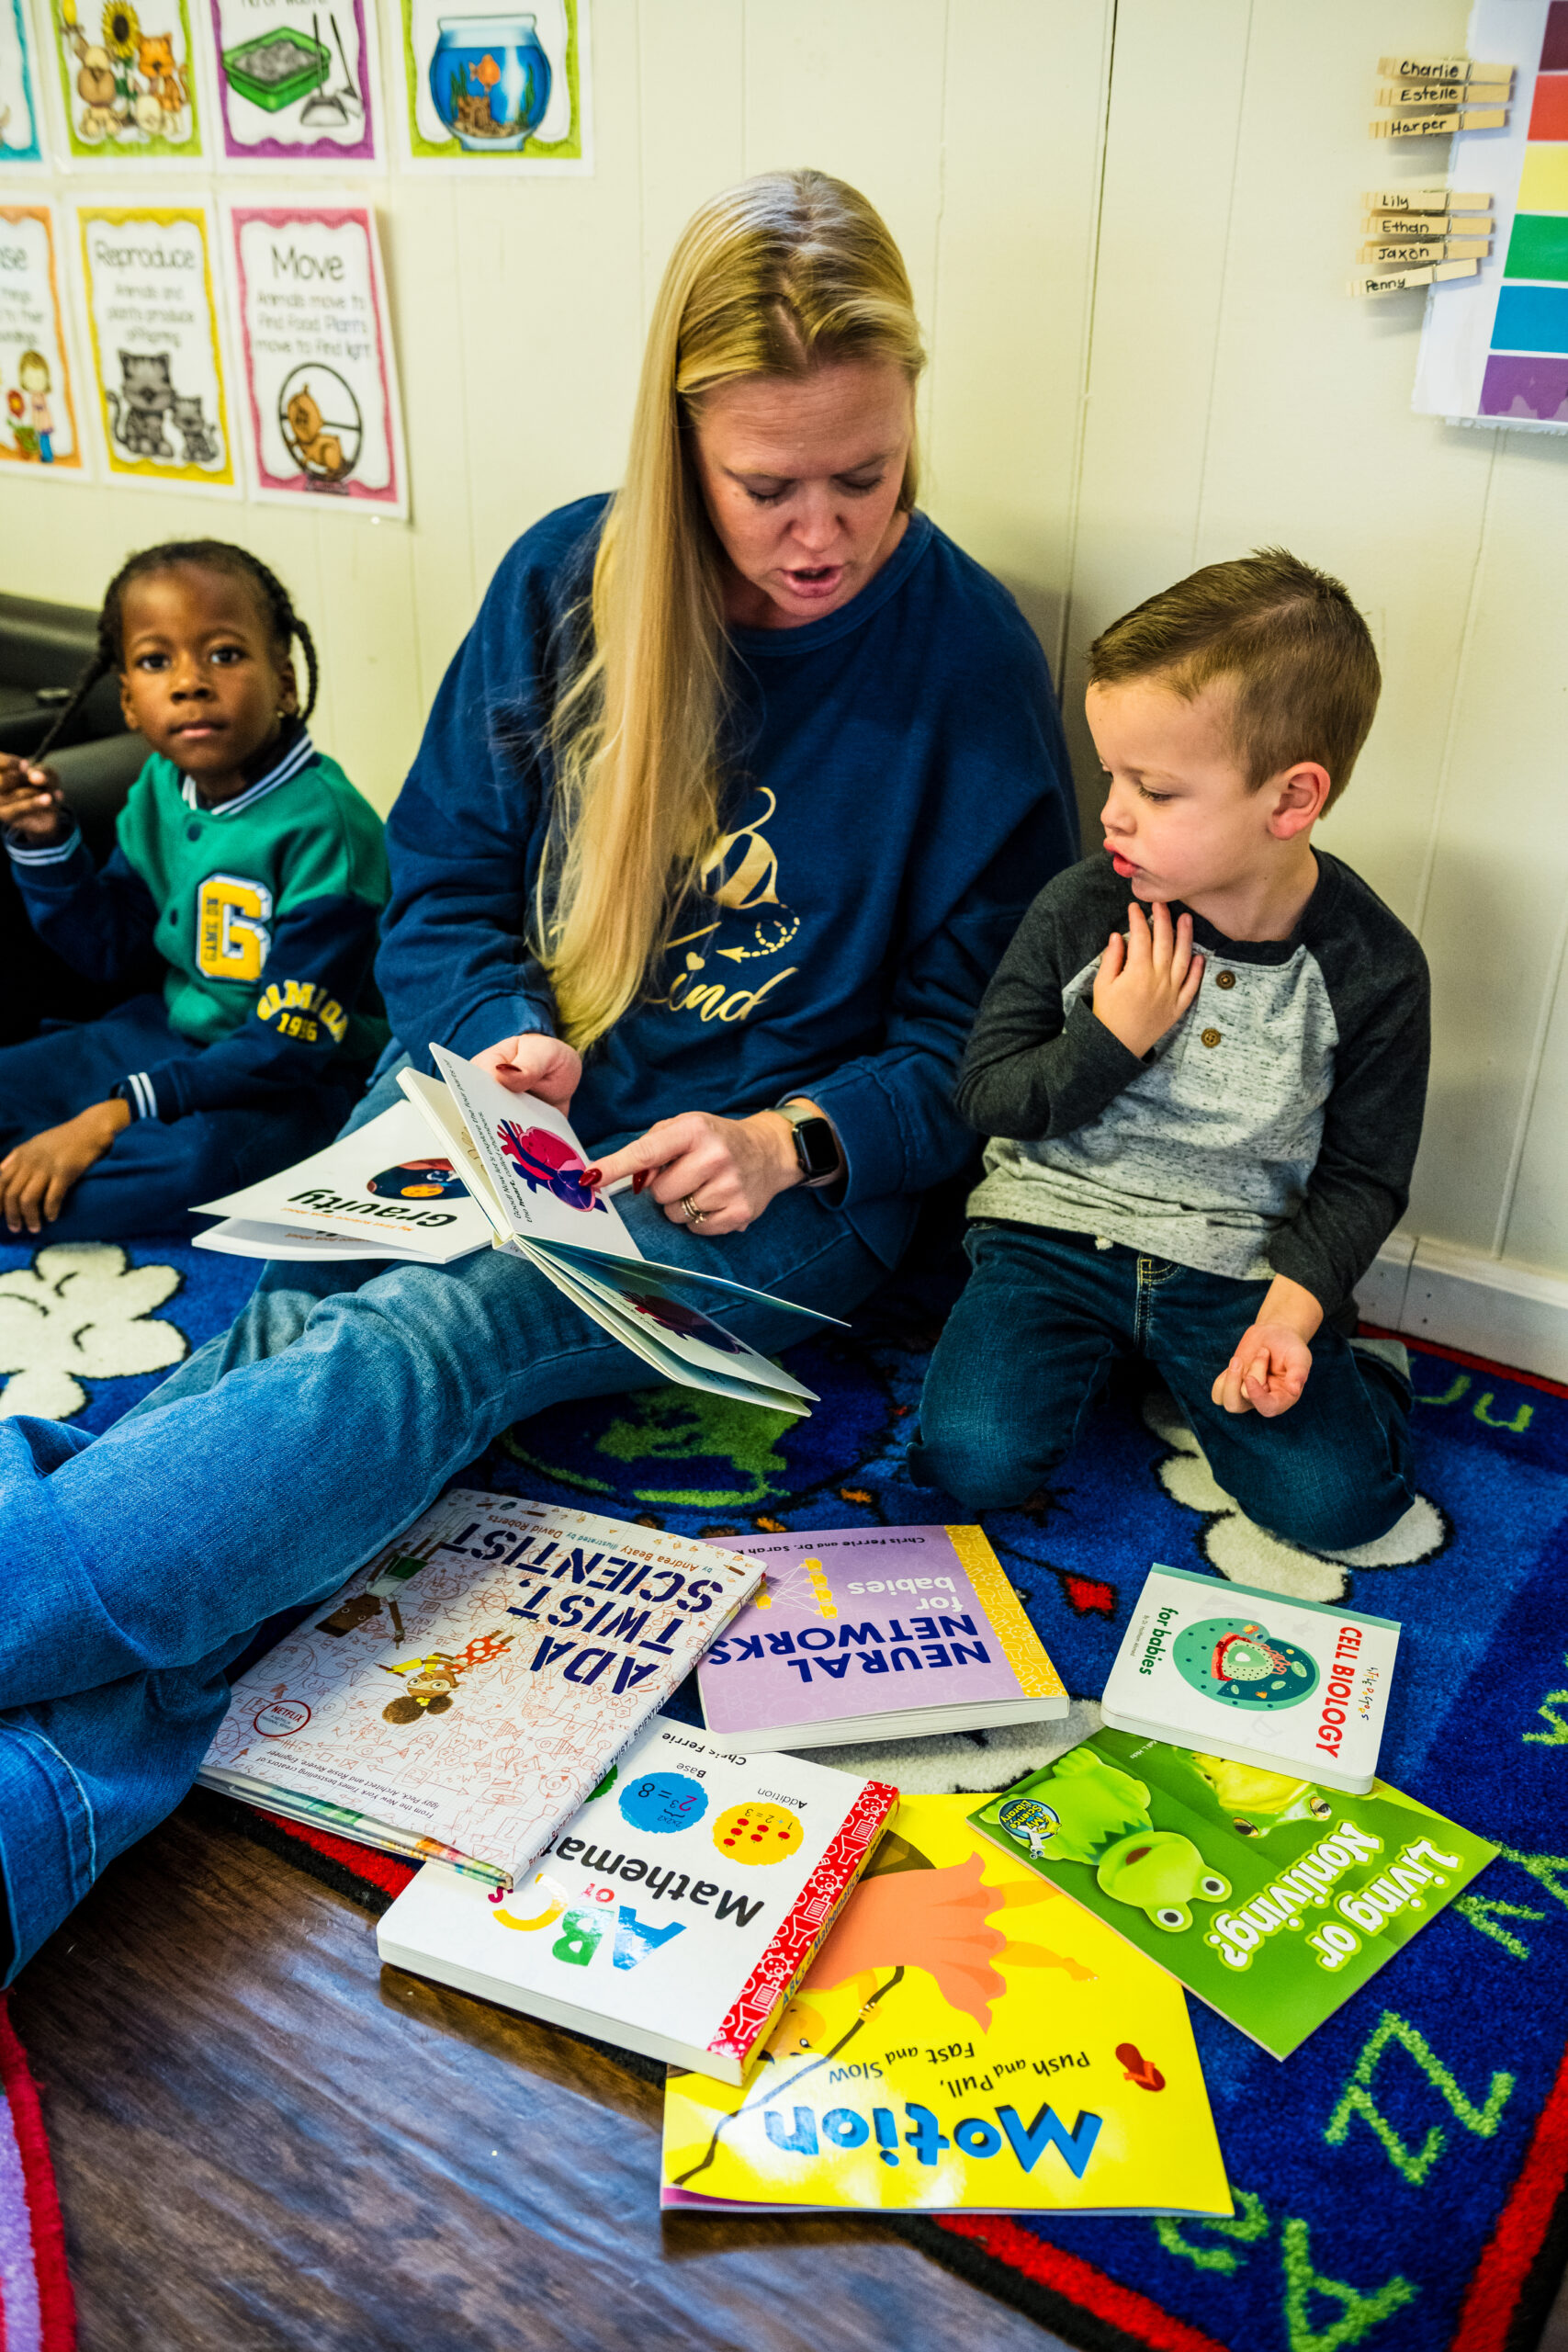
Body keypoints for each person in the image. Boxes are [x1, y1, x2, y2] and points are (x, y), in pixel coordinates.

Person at [0, 170, 1077, 1979]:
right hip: (496, 1106)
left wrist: (797, 1133)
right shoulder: (559, 580)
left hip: (750, 1192)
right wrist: (495, 1025)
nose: (823, 532)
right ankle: (40, 1811)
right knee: (296, 1332)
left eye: (867, 474)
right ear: (677, 447)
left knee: (429, 1342)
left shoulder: (964, 658)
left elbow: (973, 1058)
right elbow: (432, 896)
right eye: (766, 486)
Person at [910, 548, 1428, 1555]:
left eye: (1154, 788)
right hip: (1051, 1235)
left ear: (1290, 801)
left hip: (1240, 1262)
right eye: (1113, 775)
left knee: (1345, 1508)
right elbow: (988, 1094)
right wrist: (1110, 1040)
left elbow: (1366, 1177)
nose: (1111, 811)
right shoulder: (1081, 907)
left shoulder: (1373, 968)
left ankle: (1358, 1373)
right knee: (969, 1463)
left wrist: (1289, 1317)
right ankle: (1100, 1354)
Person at [0, 540, 389, 1239]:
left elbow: (285, 1048)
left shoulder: (328, 827)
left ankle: (40, 1181)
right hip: (167, 1035)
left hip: (297, 1082)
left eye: (225, 654)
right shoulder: (159, 787)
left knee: (200, 1163)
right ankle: (40, 1167)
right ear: (127, 701)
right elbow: (110, 951)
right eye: (156, 662)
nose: (189, 683)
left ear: (286, 680)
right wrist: (45, 840)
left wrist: (112, 1114)